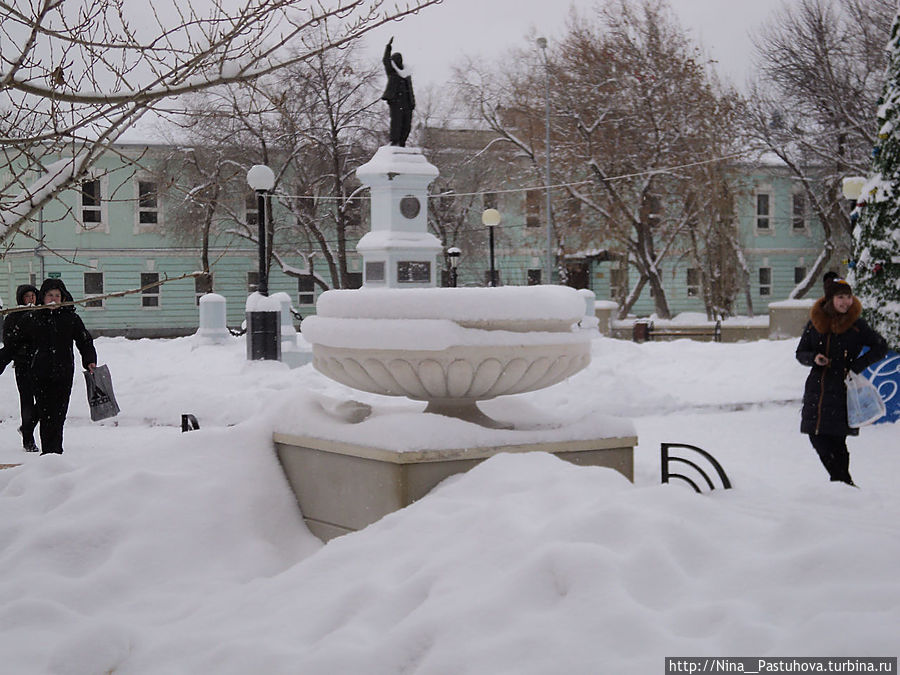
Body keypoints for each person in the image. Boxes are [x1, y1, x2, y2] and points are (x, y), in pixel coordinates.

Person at [796, 274, 888, 485]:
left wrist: (856, 366)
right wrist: (813, 358)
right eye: (840, 297)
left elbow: (880, 346)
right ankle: (842, 483)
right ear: (830, 299)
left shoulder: (856, 325)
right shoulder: (815, 323)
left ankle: (842, 485)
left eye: (848, 297)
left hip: (843, 390)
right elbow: (800, 352)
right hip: (816, 391)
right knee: (816, 436)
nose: (846, 302)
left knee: (837, 441)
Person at [7, 279, 97, 455]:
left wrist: (90, 360)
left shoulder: (70, 318)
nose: (54, 299)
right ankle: (50, 454)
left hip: (64, 373)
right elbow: (13, 345)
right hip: (40, 374)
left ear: (63, 298)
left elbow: (84, 341)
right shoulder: (32, 319)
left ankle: (55, 452)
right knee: (46, 414)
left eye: (57, 296)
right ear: (43, 297)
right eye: (50, 296)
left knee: (59, 415)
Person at [0, 284, 40, 451]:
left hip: (40, 364)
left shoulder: (41, 314)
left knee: (45, 399)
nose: (30, 300)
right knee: (27, 401)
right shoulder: (13, 317)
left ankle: (27, 428)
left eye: (33, 296)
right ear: (21, 299)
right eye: (27, 297)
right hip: (23, 365)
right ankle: (28, 439)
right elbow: (9, 342)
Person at [381, 37, 415, 147]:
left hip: (407, 103)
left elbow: (410, 89)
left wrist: (412, 102)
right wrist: (388, 47)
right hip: (396, 101)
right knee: (396, 122)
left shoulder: (406, 73)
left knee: (407, 124)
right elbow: (386, 61)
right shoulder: (392, 72)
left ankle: (402, 141)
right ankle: (395, 141)